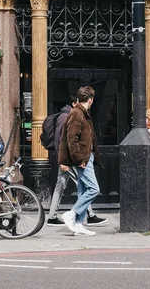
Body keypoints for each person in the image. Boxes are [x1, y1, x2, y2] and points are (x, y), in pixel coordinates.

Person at [47, 95, 107, 227]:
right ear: (74, 103)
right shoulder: (69, 117)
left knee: (63, 186)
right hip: (70, 159)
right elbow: (63, 141)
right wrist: (62, 161)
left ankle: (53, 216)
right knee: (85, 186)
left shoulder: (68, 115)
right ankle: (86, 215)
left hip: (66, 158)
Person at [58, 86, 100, 237]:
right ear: (90, 100)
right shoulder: (77, 114)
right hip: (83, 158)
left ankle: (78, 224)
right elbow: (71, 140)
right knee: (94, 189)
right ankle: (72, 214)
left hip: (86, 157)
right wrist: (79, 159)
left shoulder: (81, 113)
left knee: (83, 190)